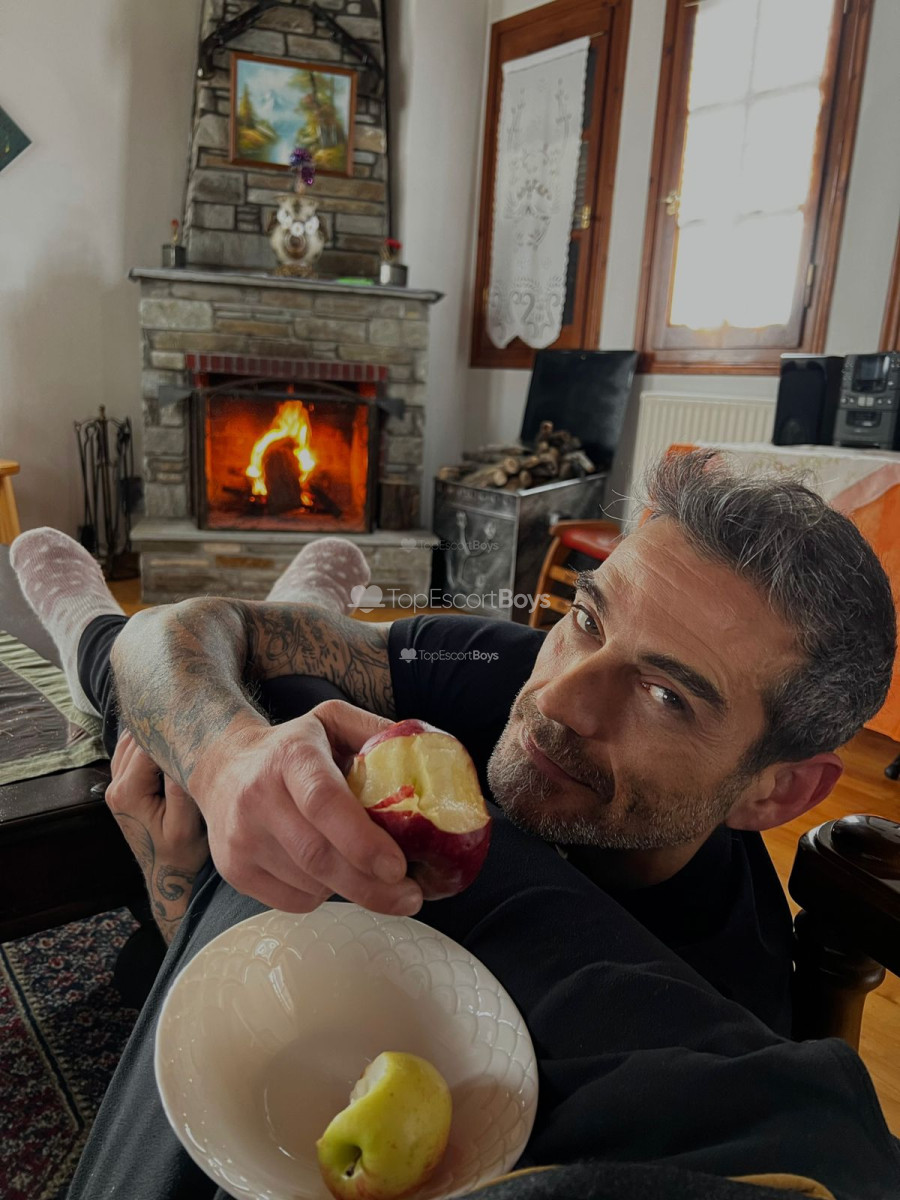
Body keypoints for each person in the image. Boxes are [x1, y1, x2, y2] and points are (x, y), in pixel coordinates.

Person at [10, 450, 900, 1198]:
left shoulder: (715, 1015)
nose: (559, 697)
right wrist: (224, 758)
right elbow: (176, 631)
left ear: (777, 793)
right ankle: (116, 628)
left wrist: (175, 894)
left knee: (255, 691)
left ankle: (219, 614)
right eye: (586, 618)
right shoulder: (522, 666)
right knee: (250, 694)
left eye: (667, 696)